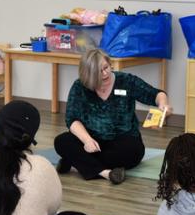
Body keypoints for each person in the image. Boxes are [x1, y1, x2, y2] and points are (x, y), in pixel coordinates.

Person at [54, 48, 171, 184]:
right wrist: (87, 140)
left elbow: (156, 94)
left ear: (110, 64)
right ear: (89, 75)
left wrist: (163, 104)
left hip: (122, 141)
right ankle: (106, 173)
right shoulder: (79, 87)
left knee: (132, 152)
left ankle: (77, 161)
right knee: (61, 141)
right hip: (92, 140)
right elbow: (72, 119)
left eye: (106, 67)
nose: (105, 73)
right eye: (99, 72)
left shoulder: (126, 81)